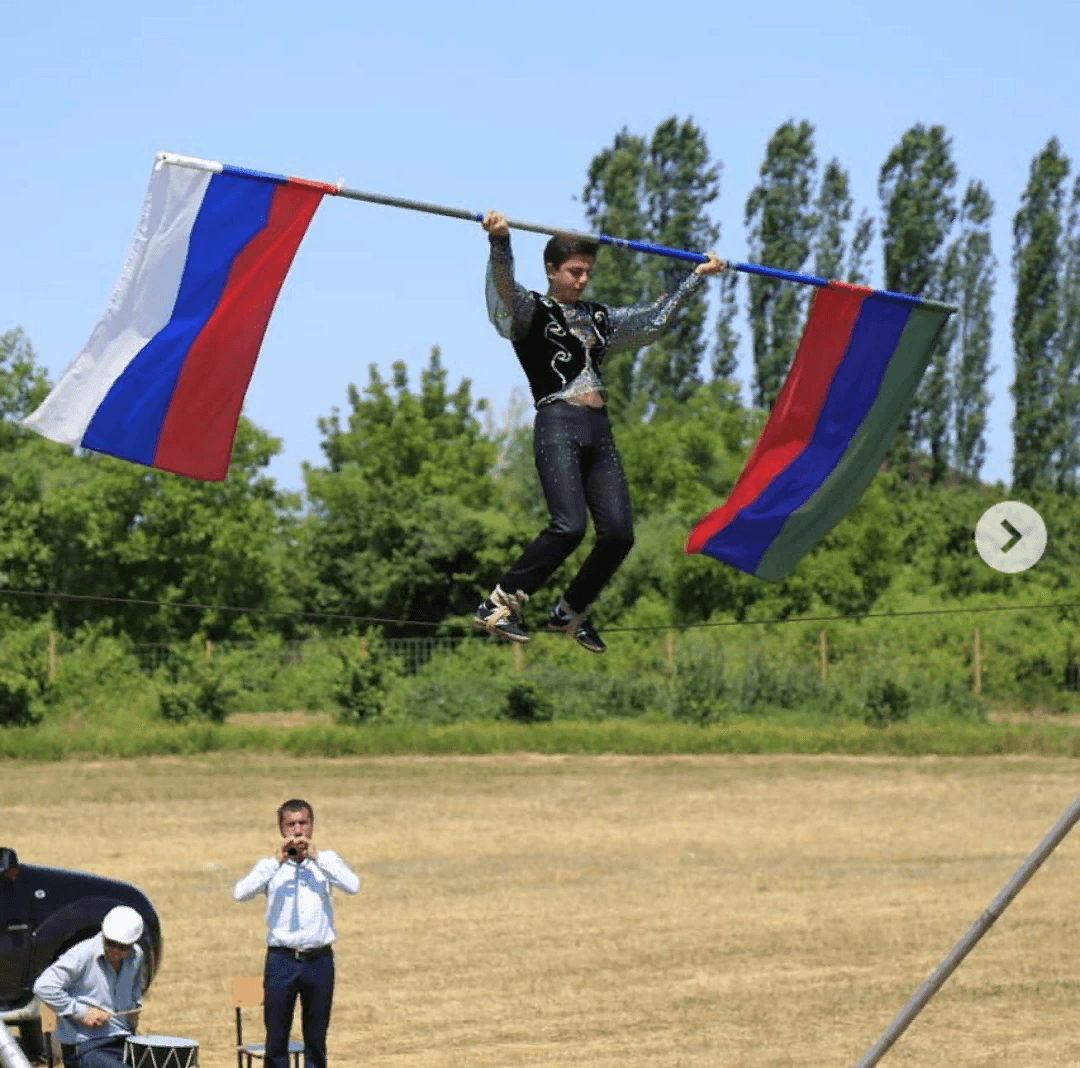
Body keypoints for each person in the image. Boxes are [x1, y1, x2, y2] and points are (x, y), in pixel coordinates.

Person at [474, 212, 726, 652]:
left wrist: (695, 278)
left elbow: (651, 322)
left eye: (587, 272)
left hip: (598, 430)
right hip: (558, 424)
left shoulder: (598, 318)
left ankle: (570, 613)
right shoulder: (532, 312)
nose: (582, 280)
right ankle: (498, 603)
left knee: (619, 534)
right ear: (551, 270)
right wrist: (500, 243)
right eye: (574, 271)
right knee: (569, 527)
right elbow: (502, 294)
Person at [233, 799, 359, 1068]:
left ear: (312, 826)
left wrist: (318, 857)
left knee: (316, 1037)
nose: (298, 831)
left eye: (303, 823)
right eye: (291, 825)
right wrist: (277, 862)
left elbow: (353, 885)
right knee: (276, 1038)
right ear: (281, 829)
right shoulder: (271, 867)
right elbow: (240, 893)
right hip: (282, 959)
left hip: (319, 960)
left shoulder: (325, 862)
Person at [32, 905, 145, 1068]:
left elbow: (136, 987)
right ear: (104, 934)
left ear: (133, 943)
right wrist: (81, 1012)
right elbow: (43, 986)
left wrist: (135, 1008)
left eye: (123, 947)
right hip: (86, 1047)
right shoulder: (82, 954)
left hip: (123, 1041)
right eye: (110, 943)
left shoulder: (136, 956)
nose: (115, 950)